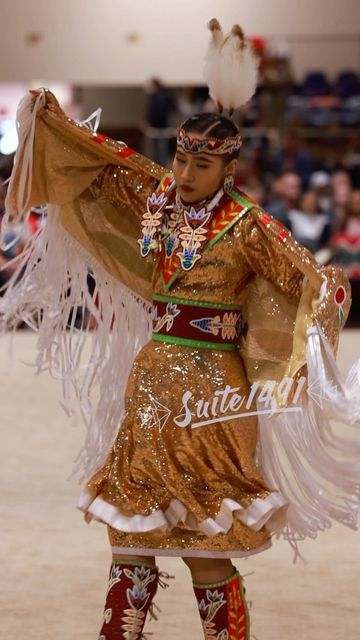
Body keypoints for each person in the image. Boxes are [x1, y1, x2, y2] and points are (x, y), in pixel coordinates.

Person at [2, 20, 360, 640]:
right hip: (151, 387)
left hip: (214, 395)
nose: (186, 173)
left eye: (201, 163)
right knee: (130, 537)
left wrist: (328, 286)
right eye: (181, 158)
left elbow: (307, 280)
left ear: (229, 164)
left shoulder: (250, 225)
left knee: (206, 543)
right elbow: (107, 163)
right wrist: (46, 118)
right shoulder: (158, 199)